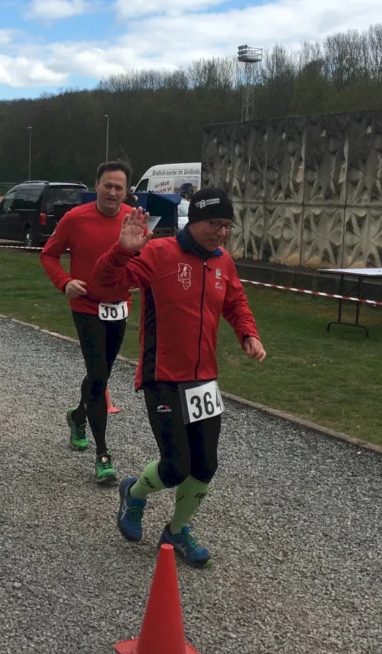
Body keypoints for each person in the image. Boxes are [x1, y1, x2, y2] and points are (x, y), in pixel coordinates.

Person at [97, 188, 265, 567]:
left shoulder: (223, 262)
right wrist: (122, 250)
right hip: (163, 376)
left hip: (203, 380)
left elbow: (236, 302)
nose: (221, 233)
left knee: (205, 465)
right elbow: (108, 282)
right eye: (214, 224)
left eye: (227, 226)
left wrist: (248, 334)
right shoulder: (161, 252)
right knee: (175, 466)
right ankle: (134, 493)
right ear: (196, 220)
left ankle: (176, 530)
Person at [40, 161, 134, 484]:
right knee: (97, 376)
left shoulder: (132, 219)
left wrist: (139, 278)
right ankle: (103, 455)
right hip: (86, 306)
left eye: (119, 187)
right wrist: (65, 282)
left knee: (101, 375)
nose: (112, 192)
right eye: (107, 185)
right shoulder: (74, 219)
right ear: (96, 186)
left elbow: (144, 259)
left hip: (119, 307)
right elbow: (48, 255)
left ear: (126, 191)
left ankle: (78, 416)